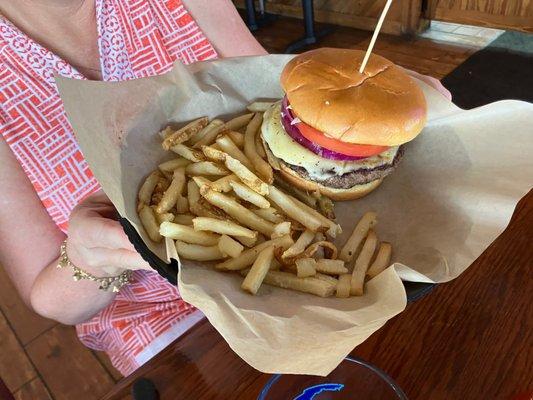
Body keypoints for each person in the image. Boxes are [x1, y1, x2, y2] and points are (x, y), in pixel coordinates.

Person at [0, 0, 451, 376]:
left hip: (301, 259)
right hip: (161, 316)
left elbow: (272, 93)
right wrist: (86, 258)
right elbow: (51, 300)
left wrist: (362, 106)